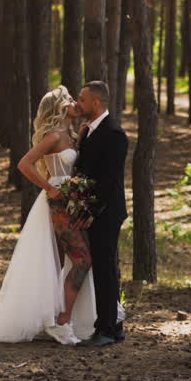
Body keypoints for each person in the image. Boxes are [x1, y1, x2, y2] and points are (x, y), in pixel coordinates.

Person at [0, 86, 96, 345]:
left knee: (67, 260)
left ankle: (56, 317)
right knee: (82, 258)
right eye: (70, 99)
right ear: (61, 107)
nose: (76, 102)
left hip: (73, 201)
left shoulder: (72, 134)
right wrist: (50, 187)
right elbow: (24, 163)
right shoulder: (53, 136)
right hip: (58, 202)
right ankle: (61, 322)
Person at [71, 81, 129, 347]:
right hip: (95, 210)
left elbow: (110, 180)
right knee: (104, 269)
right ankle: (114, 325)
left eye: (82, 100)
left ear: (96, 103)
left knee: (105, 270)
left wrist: (93, 211)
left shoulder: (114, 134)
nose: (78, 104)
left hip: (106, 212)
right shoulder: (92, 131)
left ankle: (106, 329)